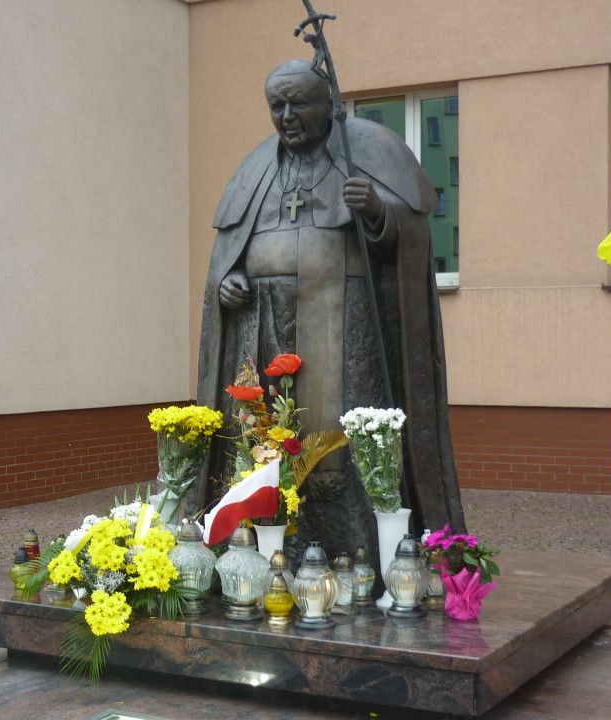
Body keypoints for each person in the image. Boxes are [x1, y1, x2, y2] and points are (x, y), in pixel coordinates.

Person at [196, 60, 467, 564]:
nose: (286, 116)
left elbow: (410, 241)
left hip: (345, 323)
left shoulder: (368, 153)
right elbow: (228, 256)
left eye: (298, 103)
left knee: (344, 441)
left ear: (329, 103)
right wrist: (229, 282)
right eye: (277, 105)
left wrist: (378, 211)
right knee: (267, 435)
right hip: (266, 326)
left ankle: (356, 556)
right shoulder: (255, 170)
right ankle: (267, 551)